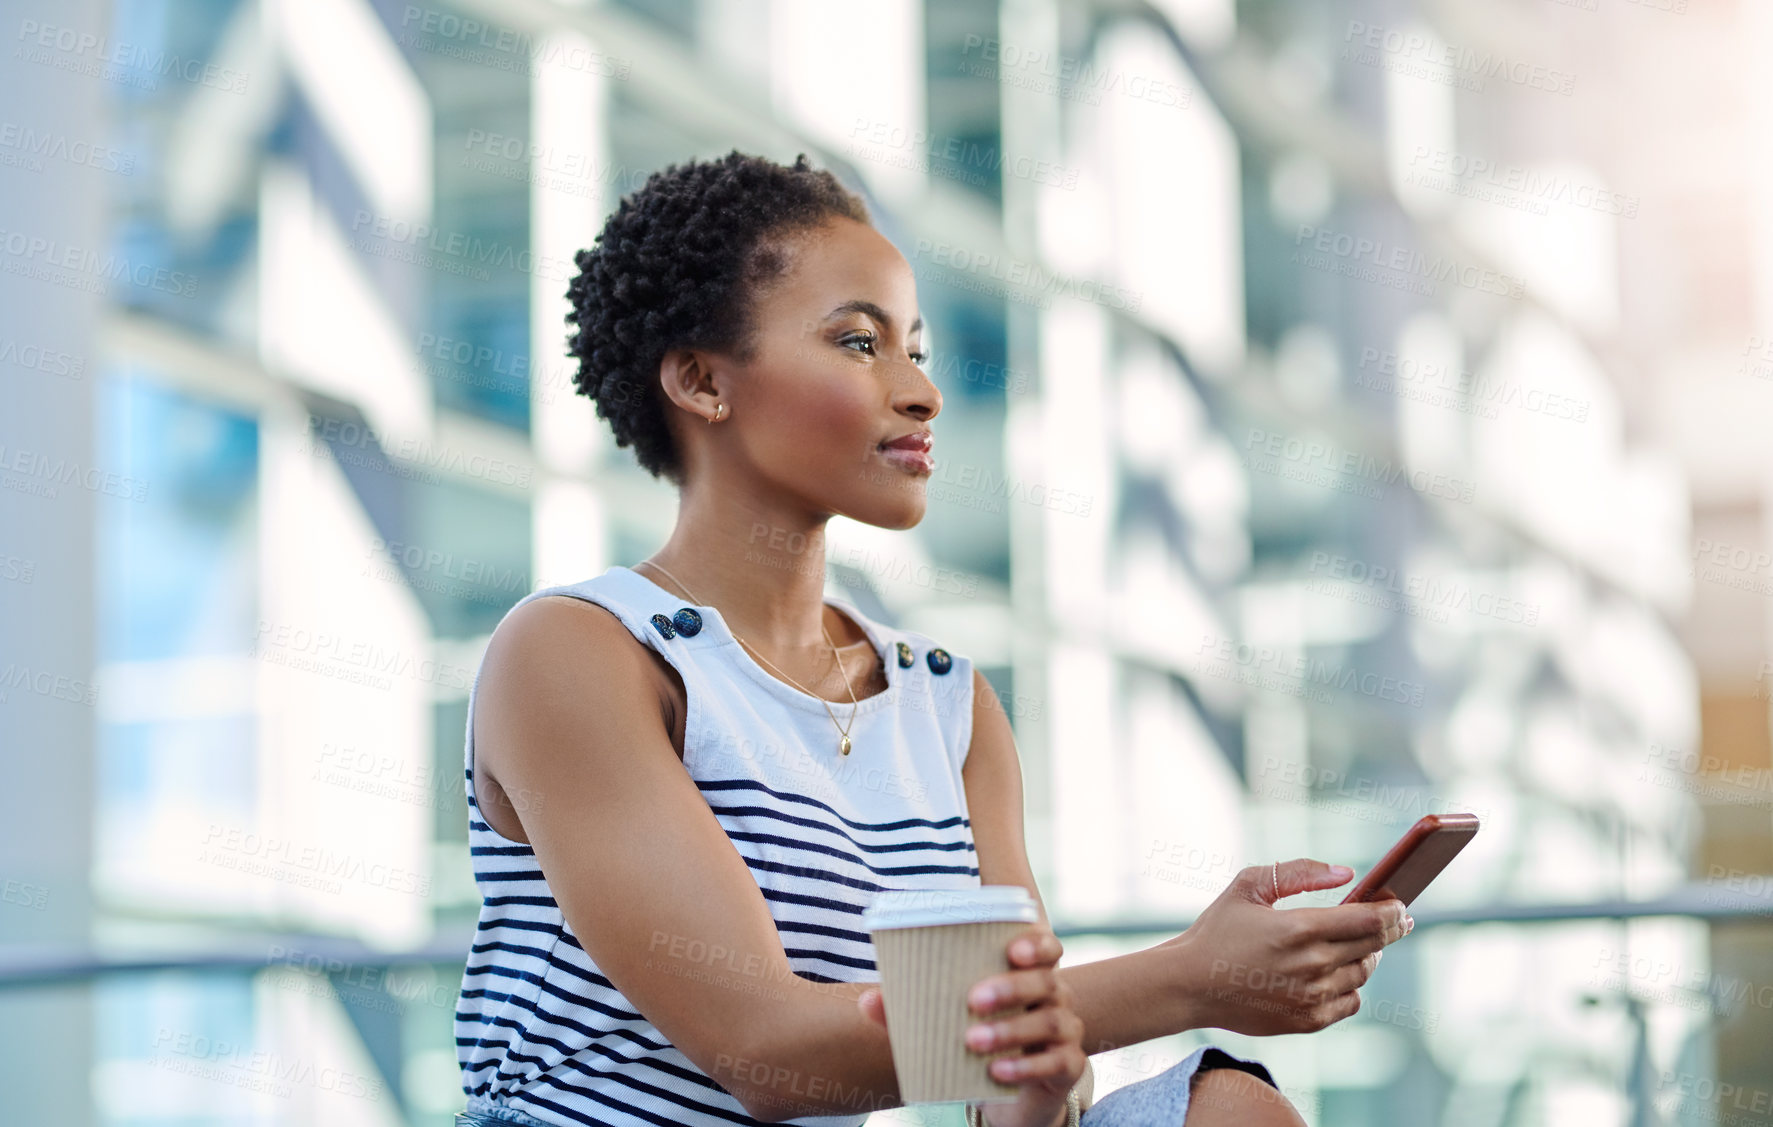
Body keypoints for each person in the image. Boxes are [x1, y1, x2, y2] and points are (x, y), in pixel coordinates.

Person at [452, 150, 1411, 1127]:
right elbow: (765, 1053)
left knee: (1230, 1109)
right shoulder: (579, 650)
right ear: (702, 380)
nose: (920, 393)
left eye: (916, 349)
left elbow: (1028, 1104)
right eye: (859, 344)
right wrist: (1192, 978)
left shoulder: (946, 704)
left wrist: (1036, 1071)